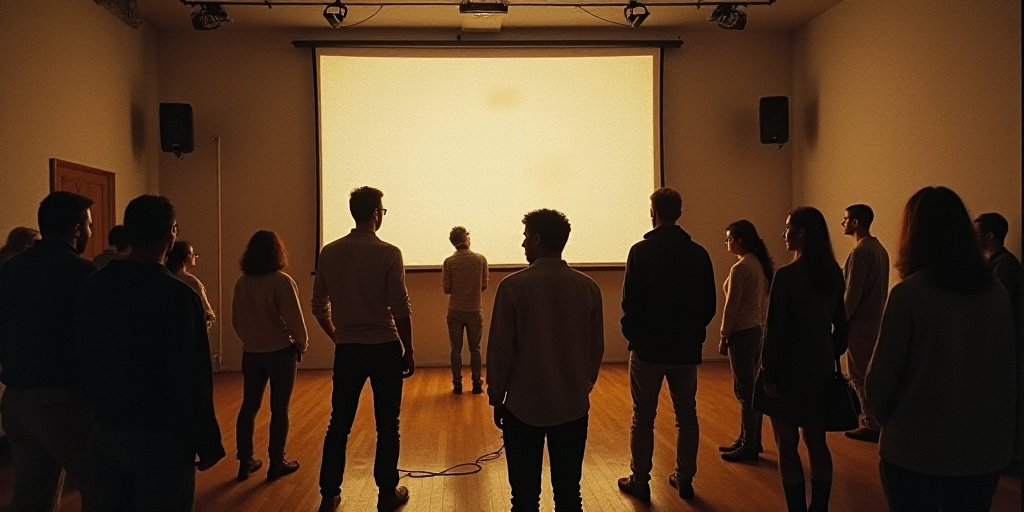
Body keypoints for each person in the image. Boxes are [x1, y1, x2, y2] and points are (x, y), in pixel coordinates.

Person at [866, 188, 1015, 512]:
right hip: (981, 451)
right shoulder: (997, 294)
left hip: (915, 451)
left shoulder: (908, 294)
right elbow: (1005, 373)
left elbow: (879, 384)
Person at [75, 195, 224, 511]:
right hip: (161, 437)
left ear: (127, 232)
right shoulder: (179, 296)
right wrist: (207, 442)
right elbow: (191, 377)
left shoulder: (93, 286)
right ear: (171, 232)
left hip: (105, 430)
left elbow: (82, 356)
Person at [487, 208, 604, 512]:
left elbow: (501, 350)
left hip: (523, 407)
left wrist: (497, 395)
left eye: (526, 238)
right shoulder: (588, 287)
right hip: (572, 406)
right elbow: (596, 348)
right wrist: (583, 385)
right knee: (569, 495)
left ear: (537, 239)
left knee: (524, 499)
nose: (523, 245)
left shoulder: (513, 286)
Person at [312, 187, 415, 512]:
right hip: (384, 348)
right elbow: (401, 308)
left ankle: (329, 495)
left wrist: (338, 335)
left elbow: (318, 305)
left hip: (348, 351)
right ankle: (387, 494)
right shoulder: (388, 252)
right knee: (388, 424)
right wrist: (408, 350)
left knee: (338, 424)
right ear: (375, 213)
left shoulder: (329, 252)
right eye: (382, 211)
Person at [616, 188, 716, 502]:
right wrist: (694, 333)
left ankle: (641, 480)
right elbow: (709, 303)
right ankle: (684, 478)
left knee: (643, 416)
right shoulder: (698, 253)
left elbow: (629, 301)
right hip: (685, 349)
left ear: (653, 212)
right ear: (679, 213)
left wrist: (634, 336)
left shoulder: (640, 251)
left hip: (648, 349)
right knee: (686, 414)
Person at [0, 192, 97, 512]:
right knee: (103, 486)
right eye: (89, 225)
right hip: (61, 399)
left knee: (31, 496)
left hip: (15, 398)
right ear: (77, 229)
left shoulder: (9, 270)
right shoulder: (82, 274)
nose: (91, 232)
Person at [754, 206, 848, 512]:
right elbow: (841, 325)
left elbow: (775, 329)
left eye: (788, 228)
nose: (784, 234)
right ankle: (819, 508)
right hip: (819, 366)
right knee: (817, 442)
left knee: (787, 443)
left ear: (802, 232)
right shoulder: (832, 271)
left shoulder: (787, 275)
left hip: (789, 369)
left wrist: (768, 373)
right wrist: (829, 352)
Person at [232, 230, 308, 482]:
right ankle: (276, 462)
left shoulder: (243, 282)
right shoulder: (281, 281)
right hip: (280, 352)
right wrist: (301, 344)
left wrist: (250, 340)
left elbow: (236, 320)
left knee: (249, 406)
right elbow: (294, 319)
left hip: (251, 352)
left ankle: (245, 461)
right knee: (279, 408)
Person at [717, 220, 773, 463]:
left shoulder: (740, 268)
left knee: (745, 390)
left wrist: (723, 334)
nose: (727, 243)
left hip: (741, 331)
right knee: (750, 388)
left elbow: (732, 306)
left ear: (739, 240)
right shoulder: (757, 264)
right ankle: (749, 437)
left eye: (729, 239)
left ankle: (749, 442)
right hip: (755, 329)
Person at [974, 212, 1023, 475]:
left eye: (977, 232)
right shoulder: (998, 265)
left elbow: (1003, 314)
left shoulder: (1004, 267)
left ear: (989, 236)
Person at [840, 204, 890, 443]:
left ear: (856, 222)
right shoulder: (880, 249)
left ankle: (871, 423)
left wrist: (839, 322)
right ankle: (878, 419)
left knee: (858, 375)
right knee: (871, 373)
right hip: (876, 320)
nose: (843, 223)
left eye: (846, 219)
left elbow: (852, 295)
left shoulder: (860, 253)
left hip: (860, 323)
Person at [442, 226, 488, 395]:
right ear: (466, 238)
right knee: (475, 349)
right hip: (474, 309)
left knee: (455, 349)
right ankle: (477, 383)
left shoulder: (449, 262)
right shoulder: (480, 260)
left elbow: (447, 289)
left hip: (455, 311)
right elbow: (484, 285)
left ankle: (457, 384)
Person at [166, 241, 216, 330]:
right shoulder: (192, 283)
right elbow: (206, 313)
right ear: (186, 258)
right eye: (193, 254)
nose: (195, 257)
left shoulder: (164, 278)